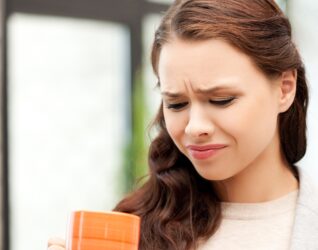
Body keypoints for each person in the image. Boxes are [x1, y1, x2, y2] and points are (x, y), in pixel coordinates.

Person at [48, 0, 318, 249]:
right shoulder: (134, 231)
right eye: (177, 104)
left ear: (285, 89)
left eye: (221, 100)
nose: (193, 127)